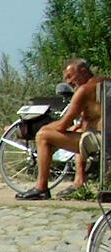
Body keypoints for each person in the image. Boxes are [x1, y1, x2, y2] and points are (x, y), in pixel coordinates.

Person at [18, 58, 104, 199]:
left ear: (83, 71)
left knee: (43, 136)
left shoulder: (84, 90)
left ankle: (41, 188)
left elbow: (63, 125)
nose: (69, 82)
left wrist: (43, 128)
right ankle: (79, 181)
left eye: (70, 76)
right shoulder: (104, 82)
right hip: (104, 136)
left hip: (102, 141)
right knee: (79, 130)